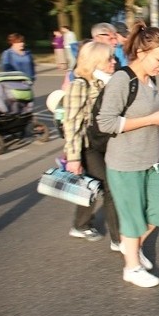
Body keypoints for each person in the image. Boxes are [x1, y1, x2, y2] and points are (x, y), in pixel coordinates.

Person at [96, 23, 159, 288]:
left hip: (151, 159)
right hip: (125, 161)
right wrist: (151, 119)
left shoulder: (150, 79)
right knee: (132, 216)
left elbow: (148, 116)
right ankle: (131, 267)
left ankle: (131, 246)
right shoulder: (123, 79)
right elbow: (106, 123)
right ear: (142, 51)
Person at [62, 41, 122, 248]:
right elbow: (71, 123)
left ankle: (80, 224)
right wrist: (73, 157)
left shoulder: (106, 81)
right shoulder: (80, 85)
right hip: (88, 147)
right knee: (109, 187)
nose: (114, 62)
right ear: (96, 61)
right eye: (110, 59)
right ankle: (118, 239)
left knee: (90, 186)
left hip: (105, 143)